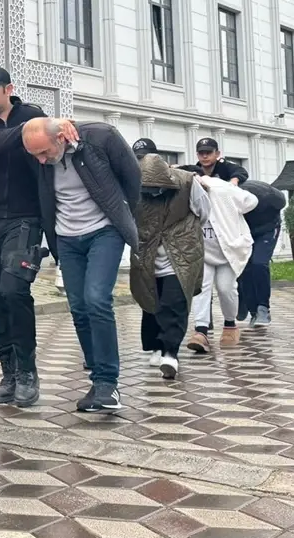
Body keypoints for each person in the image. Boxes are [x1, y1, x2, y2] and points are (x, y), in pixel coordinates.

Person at [0, 67, 71, 407]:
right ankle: (8, 371)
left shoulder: (31, 114)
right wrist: (35, 128)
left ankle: (27, 371)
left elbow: (51, 147)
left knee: (13, 289)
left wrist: (45, 127)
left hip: (24, 218)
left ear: (8, 89)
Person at [23, 117, 139, 413]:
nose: (41, 160)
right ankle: (97, 374)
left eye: (44, 152)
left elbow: (132, 177)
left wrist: (125, 216)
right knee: (78, 307)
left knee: (96, 299)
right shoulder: (43, 153)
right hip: (66, 238)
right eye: (35, 155)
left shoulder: (101, 137)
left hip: (104, 231)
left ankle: (107, 383)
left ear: (62, 138)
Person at [129, 140, 208, 380]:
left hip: (181, 254)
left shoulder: (187, 181)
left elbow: (203, 212)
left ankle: (170, 354)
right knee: (151, 302)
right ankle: (157, 346)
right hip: (147, 253)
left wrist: (183, 234)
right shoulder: (130, 184)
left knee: (174, 304)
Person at [187, 175, 258, 353]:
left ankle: (230, 324)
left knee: (226, 288)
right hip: (203, 252)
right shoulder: (185, 194)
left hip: (229, 250)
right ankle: (201, 331)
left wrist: (233, 196)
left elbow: (251, 201)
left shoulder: (221, 189)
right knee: (201, 288)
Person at [237, 179, 286, 327]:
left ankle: (263, 308)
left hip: (268, 229)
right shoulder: (231, 198)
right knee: (244, 267)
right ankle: (251, 308)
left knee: (259, 263)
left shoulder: (270, 196)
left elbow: (281, 203)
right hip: (244, 231)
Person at [181, 137, 248, 184]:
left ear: (217, 154)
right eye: (201, 153)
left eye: (208, 153)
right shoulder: (194, 169)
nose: (205, 156)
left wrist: (234, 180)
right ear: (197, 155)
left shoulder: (224, 165)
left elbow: (241, 171)